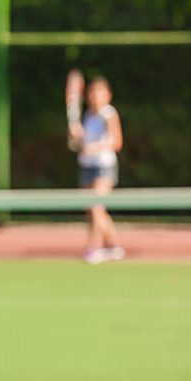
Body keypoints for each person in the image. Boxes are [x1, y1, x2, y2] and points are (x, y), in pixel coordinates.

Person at [68, 75, 125, 264]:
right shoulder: (87, 116)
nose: (95, 96)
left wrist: (95, 147)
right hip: (87, 166)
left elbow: (117, 142)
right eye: (92, 92)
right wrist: (77, 137)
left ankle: (94, 248)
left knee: (96, 206)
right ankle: (115, 246)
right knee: (91, 209)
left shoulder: (109, 114)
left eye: (99, 92)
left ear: (108, 95)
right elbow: (80, 143)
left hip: (104, 167)